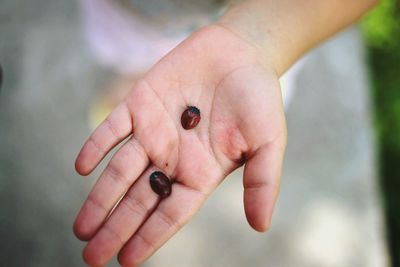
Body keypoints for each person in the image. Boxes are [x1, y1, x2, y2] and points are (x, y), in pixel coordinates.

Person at [73, 0, 379, 266]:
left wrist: (257, 44)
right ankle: (140, 75)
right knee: (136, 55)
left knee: (222, 90)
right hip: (134, 14)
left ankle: (146, 82)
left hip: (263, 26)